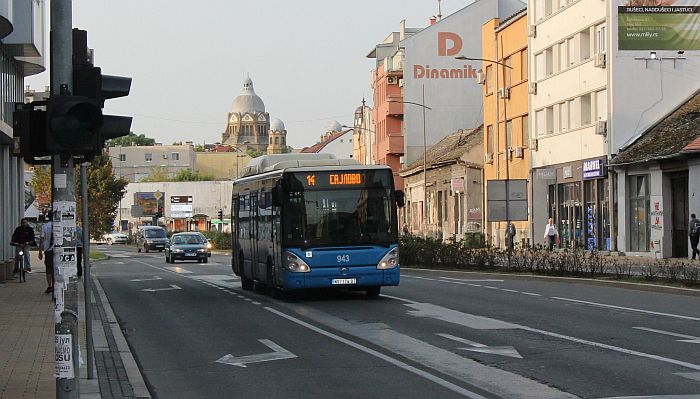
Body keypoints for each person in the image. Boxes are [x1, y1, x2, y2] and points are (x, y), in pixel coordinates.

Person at [38, 213, 54, 294]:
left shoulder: (45, 226)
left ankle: (49, 285)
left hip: (48, 250)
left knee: (49, 268)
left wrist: (40, 251)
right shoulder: (59, 225)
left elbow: (42, 239)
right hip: (58, 250)